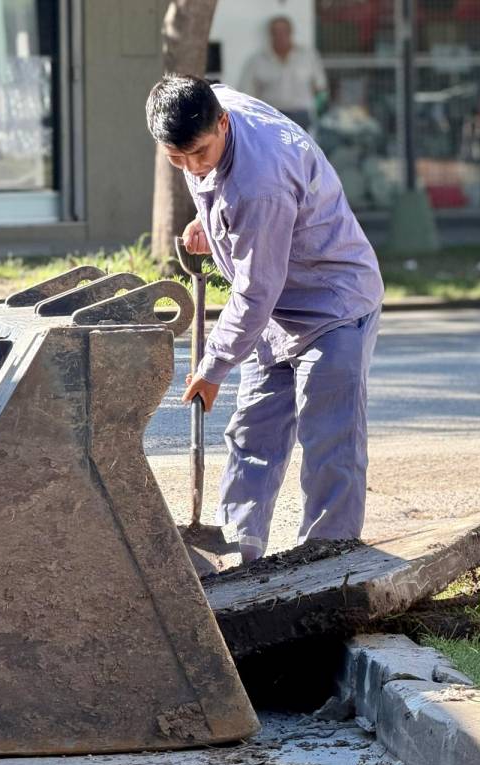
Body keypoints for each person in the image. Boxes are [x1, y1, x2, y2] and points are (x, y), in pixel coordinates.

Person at [144, 74, 384, 563]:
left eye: (201, 154)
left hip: (330, 303)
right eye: (177, 158)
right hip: (274, 306)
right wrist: (207, 218)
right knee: (253, 434)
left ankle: (328, 564)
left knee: (328, 444)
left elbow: (256, 291)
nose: (192, 166)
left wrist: (212, 368)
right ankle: (239, 557)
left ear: (224, 124)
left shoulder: (260, 186)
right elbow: (217, 185)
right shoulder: (211, 106)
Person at [238, 15, 327, 130]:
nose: (280, 36)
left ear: (291, 32)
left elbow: (320, 87)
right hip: (271, 116)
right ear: (270, 34)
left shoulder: (308, 57)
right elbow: (246, 92)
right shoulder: (256, 61)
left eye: (284, 31)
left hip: (301, 115)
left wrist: (318, 111)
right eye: (276, 32)